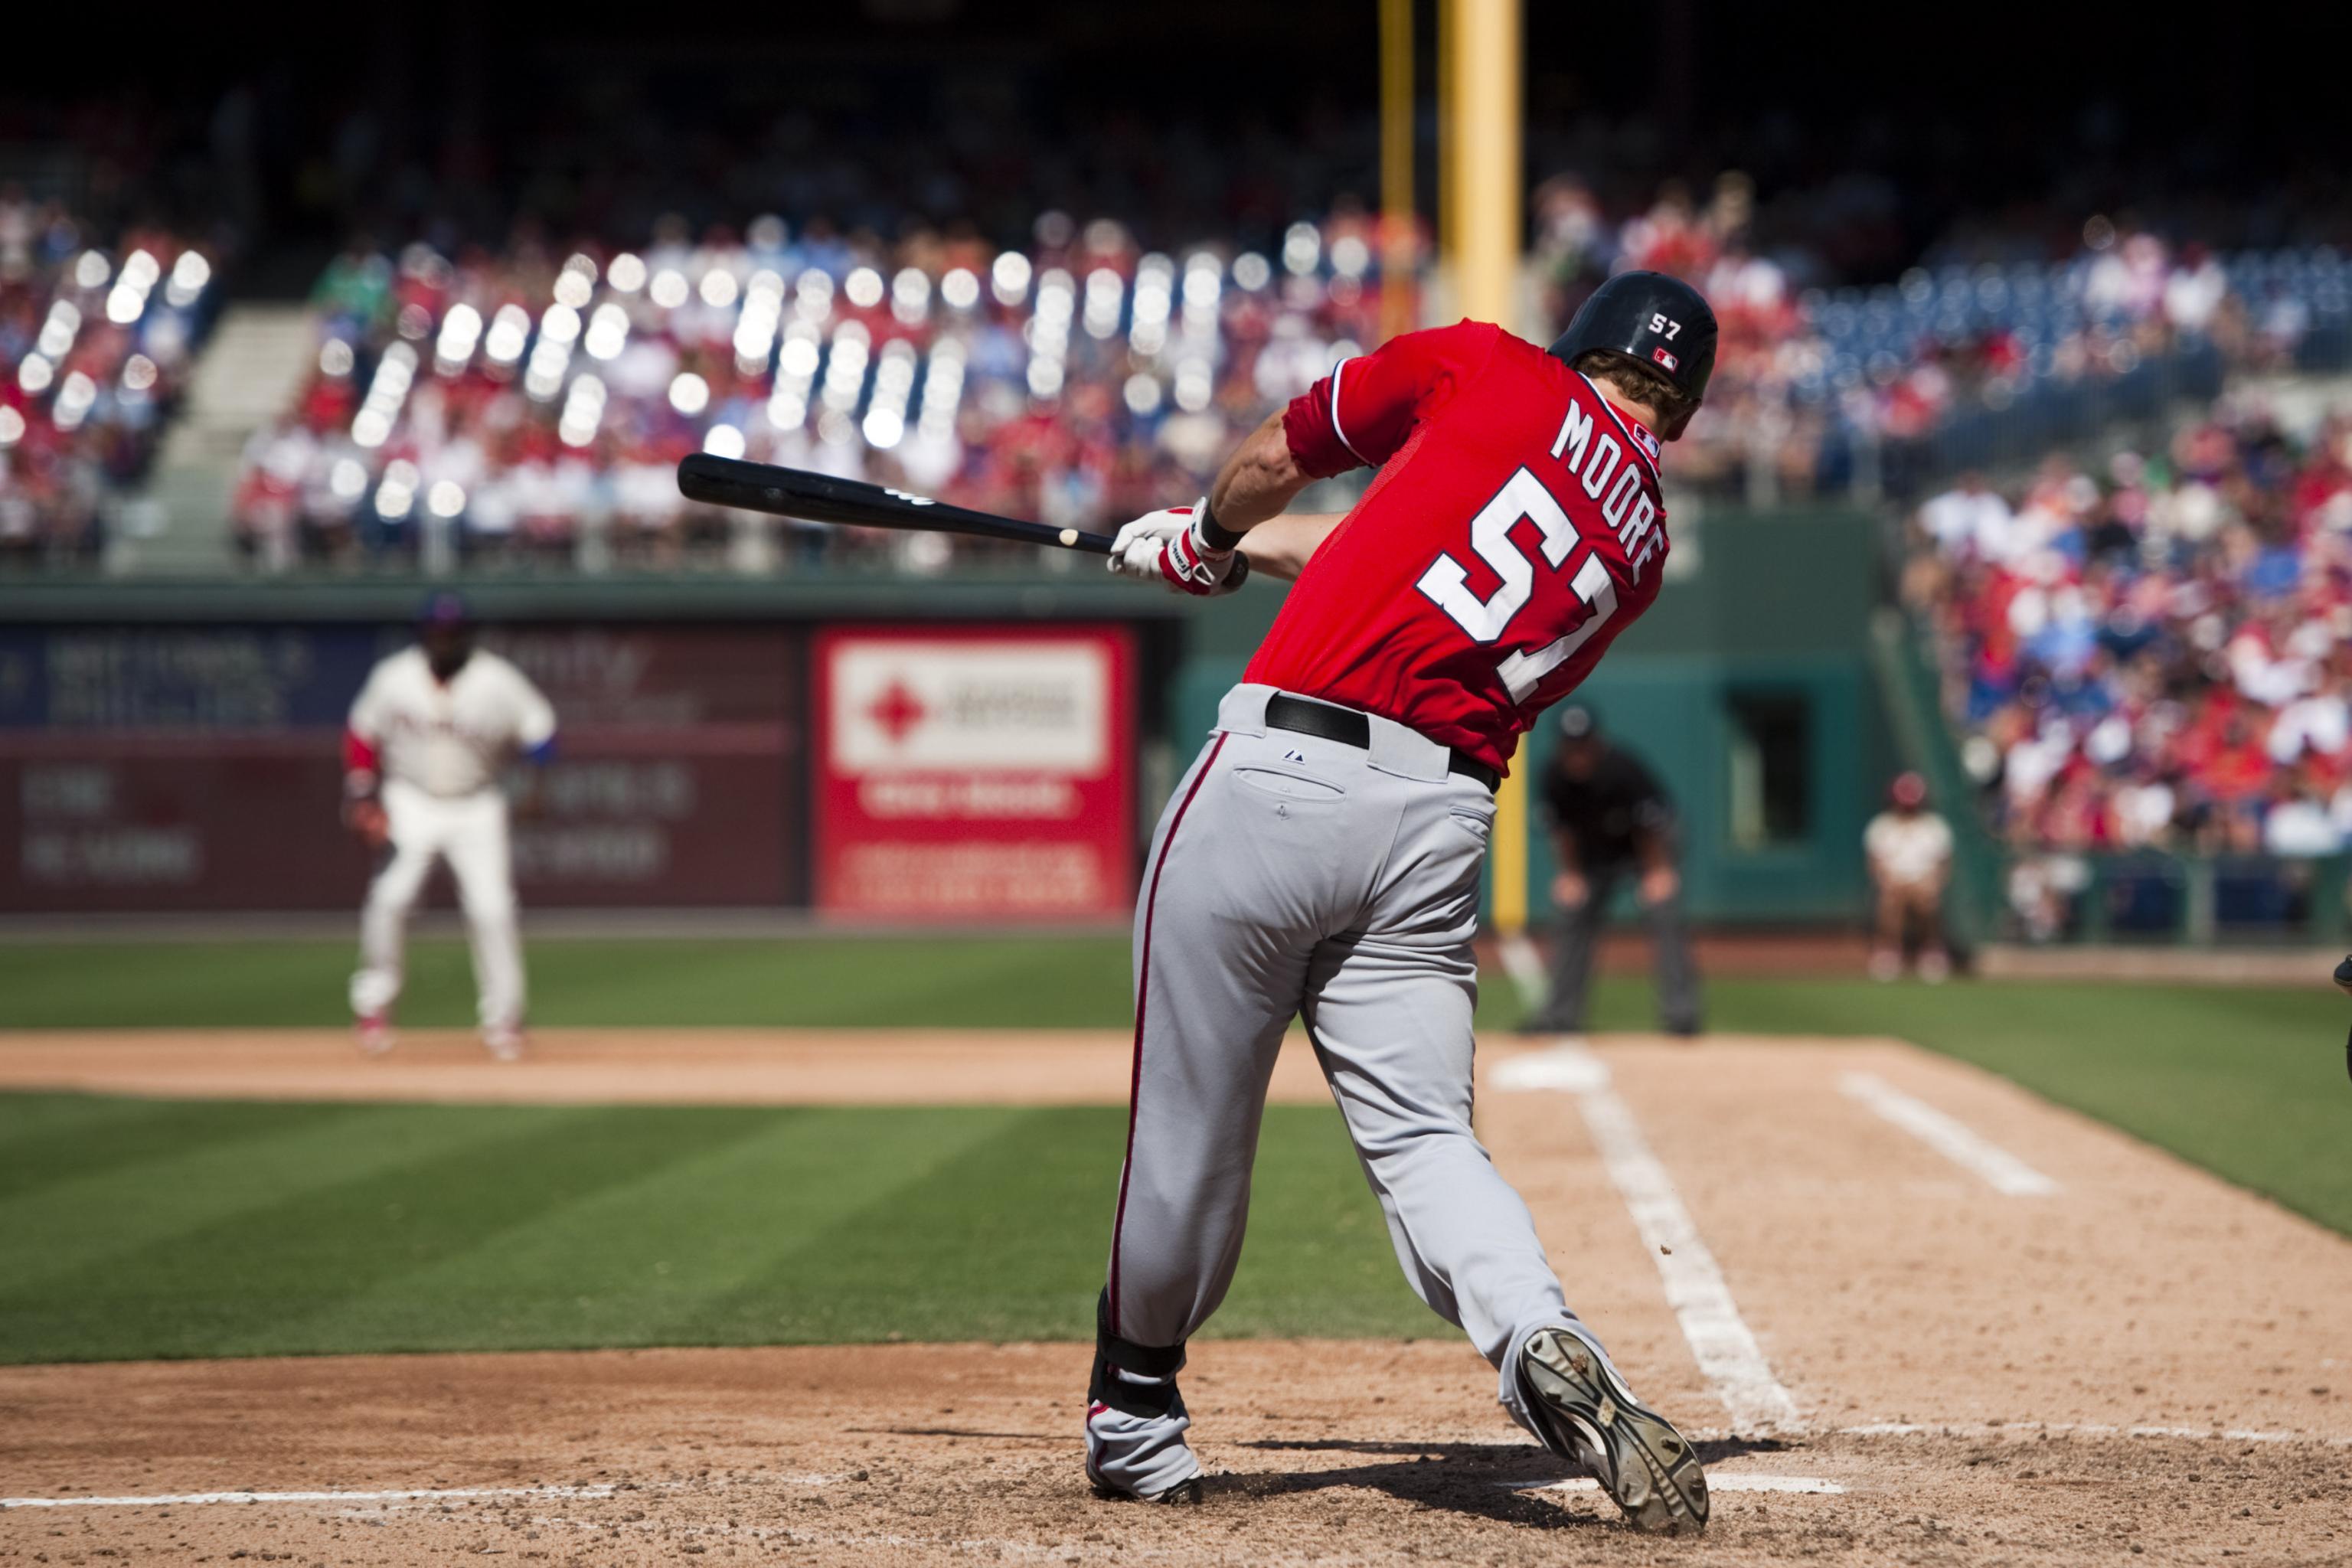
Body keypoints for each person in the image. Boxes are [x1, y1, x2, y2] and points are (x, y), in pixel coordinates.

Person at [1093, 273, 1720, 1533]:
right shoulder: (1640, 541)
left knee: (1190, 1125)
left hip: (1273, 775)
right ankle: (1536, 1330)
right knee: (1427, 1136)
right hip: (1435, 825)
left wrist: (1207, 531)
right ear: (1679, 400)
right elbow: (1398, 560)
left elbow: (1279, 453)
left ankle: (1138, 1416)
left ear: (1581, 337)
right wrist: (1214, 545)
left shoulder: (1487, 365)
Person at [343, 594, 557, 1058]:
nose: (444, 638)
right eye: (436, 631)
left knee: (493, 909)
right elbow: (362, 731)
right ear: (423, 634)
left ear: (467, 634)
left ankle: (506, 1020)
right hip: (409, 800)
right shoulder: (394, 676)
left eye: (452, 631)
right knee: (389, 900)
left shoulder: (496, 679)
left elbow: (541, 730)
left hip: (478, 803)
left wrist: (537, 787)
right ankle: (374, 1008)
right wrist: (362, 794)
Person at [1521, 704, 1700, 1035]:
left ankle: (1682, 1015)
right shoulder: (1552, 775)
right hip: (1592, 852)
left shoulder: (1623, 769)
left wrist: (1658, 873)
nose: (1578, 755)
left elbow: (1652, 825)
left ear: (1596, 743)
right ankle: (1559, 1015)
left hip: (1645, 847)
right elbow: (1562, 832)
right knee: (1571, 913)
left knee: (1664, 911)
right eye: (1570, 746)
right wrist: (1571, 875)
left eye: (1583, 745)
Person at [1864, 772, 1954, 981]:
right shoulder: (1882, 826)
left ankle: (1932, 951)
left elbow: (1944, 864)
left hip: (1925, 882)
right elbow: (1875, 863)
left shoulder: (1934, 826)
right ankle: (1888, 952)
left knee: (1928, 899)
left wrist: (1933, 883)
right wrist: (1888, 881)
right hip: (1893, 883)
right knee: (1889, 900)